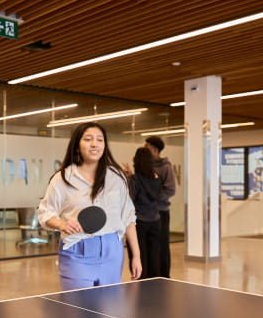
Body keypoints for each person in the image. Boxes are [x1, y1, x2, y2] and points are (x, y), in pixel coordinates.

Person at [38, 122, 141, 289]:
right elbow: (45, 214)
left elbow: (129, 217)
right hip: (77, 251)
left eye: (100, 140)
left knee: (111, 310)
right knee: (77, 311)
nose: (95, 144)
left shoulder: (117, 177)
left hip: (112, 250)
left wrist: (136, 255)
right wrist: (62, 224)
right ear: (77, 146)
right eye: (88, 139)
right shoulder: (62, 178)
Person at [144, 136, 176, 277]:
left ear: (155, 149)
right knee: (150, 246)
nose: (144, 149)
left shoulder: (166, 167)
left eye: (147, 147)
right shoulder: (145, 165)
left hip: (161, 212)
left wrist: (153, 199)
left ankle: (164, 276)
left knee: (162, 245)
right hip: (147, 214)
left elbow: (170, 190)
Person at [128, 147, 162, 278]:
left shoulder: (135, 179)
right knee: (154, 255)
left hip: (139, 222)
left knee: (138, 256)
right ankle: (154, 283)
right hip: (155, 220)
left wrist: (129, 179)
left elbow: (130, 200)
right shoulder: (157, 178)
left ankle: (142, 284)